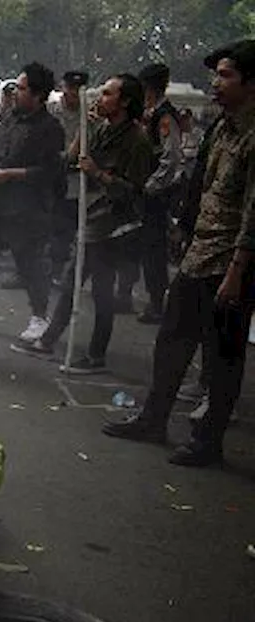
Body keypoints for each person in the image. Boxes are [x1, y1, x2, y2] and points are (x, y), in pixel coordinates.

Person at [103, 41, 255, 468]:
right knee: (172, 338)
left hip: (231, 262)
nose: (216, 83)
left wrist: (238, 271)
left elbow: (252, 211)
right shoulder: (222, 127)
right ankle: (154, 418)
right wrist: (184, 229)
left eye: (226, 75)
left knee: (222, 355)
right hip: (200, 251)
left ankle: (208, 440)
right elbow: (199, 186)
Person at [13, 74, 154, 374]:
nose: (100, 99)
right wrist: (84, 129)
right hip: (91, 215)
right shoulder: (101, 129)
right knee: (77, 283)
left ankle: (88, 353)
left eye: (107, 94)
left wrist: (99, 174)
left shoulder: (136, 140)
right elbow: (71, 159)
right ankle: (53, 342)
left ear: (125, 101)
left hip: (113, 223)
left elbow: (135, 190)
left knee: (92, 288)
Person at [0, 62, 66, 358]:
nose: (15, 92)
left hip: (27, 211)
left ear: (37, 94)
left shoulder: (50, 128)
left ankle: (39, 317)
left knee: (30, 265)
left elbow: (49, 173)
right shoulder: (6, 117)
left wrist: (11, 174)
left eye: (21, 88)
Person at [134, 62, 185, 324]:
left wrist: (150, 187)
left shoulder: (164, 116)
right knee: (144, 247)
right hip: (145, 191)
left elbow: (171, 157)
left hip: (154, 194)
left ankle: (157, 303)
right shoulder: (149, 114)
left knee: (154, 250)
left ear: (148, 88)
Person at [49, 70, 88, 290]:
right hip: (54, 176)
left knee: (70, 228)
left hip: (76, 180)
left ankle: (70, 273)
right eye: (69, 88)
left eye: (77, 90)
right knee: (54, 228)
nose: (72, 94)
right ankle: (54, 270)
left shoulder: (88, 115)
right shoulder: (52, 111)